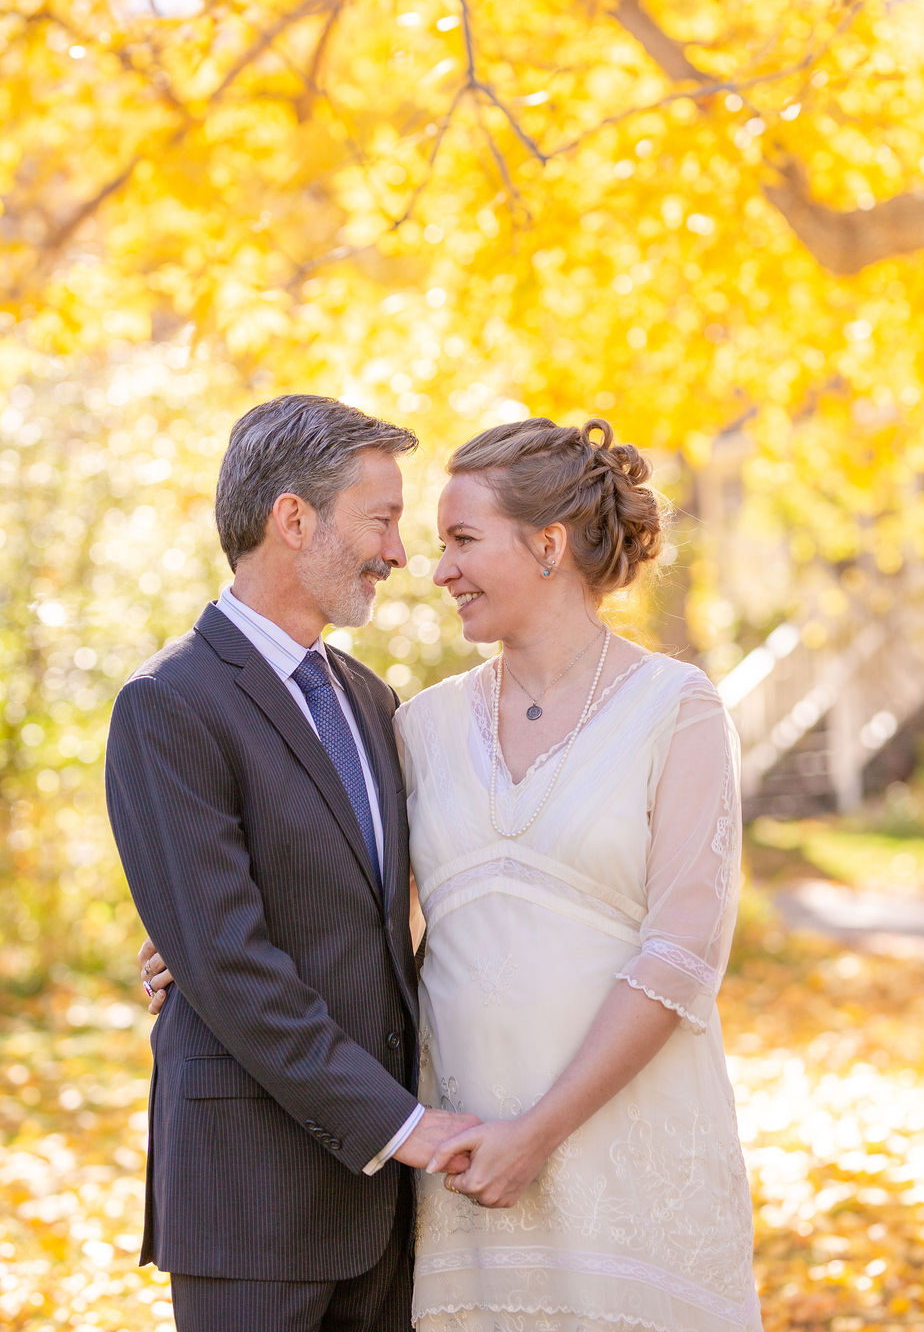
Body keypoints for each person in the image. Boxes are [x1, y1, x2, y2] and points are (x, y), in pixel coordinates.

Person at [143, 412, 763, 1332]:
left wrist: (537, 1133)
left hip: (622, 1143)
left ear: (549, 545)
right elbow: (316, 889)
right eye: (419, 536)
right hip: (460, 1162)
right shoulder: (418, 724)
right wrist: (186, 946)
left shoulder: (669, 708)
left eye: (460, 540)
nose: (429, 566)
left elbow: (682, 953)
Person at [105, 394, 478, 1332]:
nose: (399, 553)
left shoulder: (368, 698)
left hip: (385, 1213)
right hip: (251, 1200)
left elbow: (374, 911)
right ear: (294, 518)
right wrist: (402, 1127)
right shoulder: (169, 704)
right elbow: (229, 961)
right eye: (382, 519)